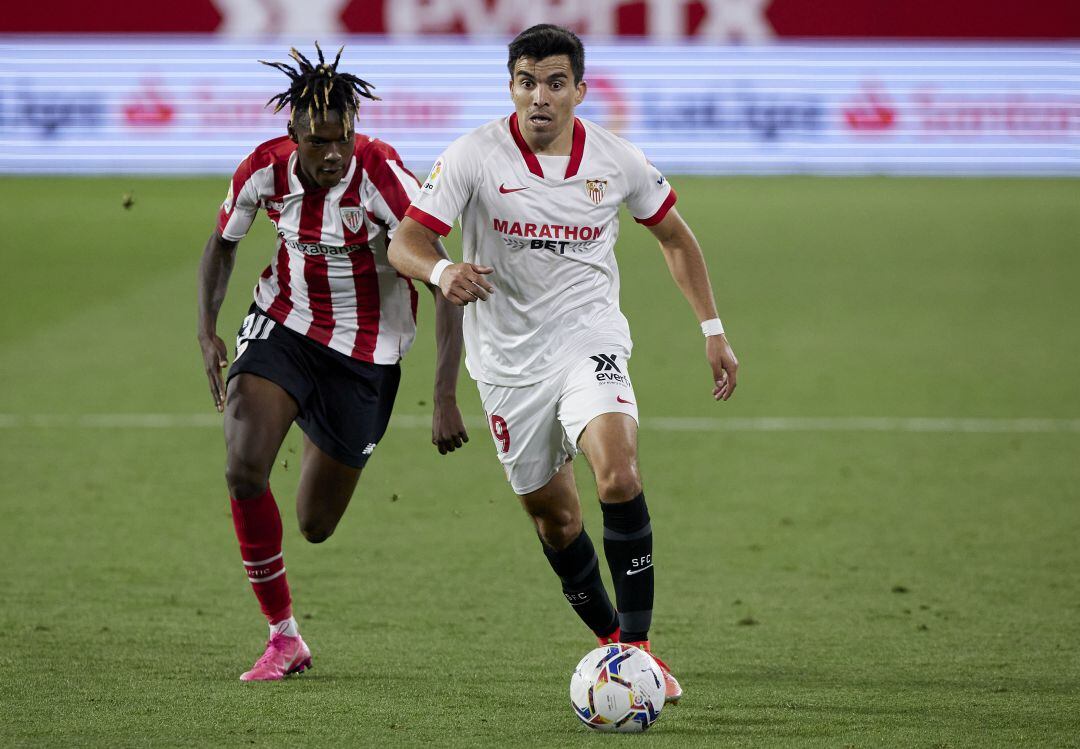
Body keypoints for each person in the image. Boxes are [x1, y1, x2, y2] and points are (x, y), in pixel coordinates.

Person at [387, 24, 738, 704]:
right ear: (510, 87)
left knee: (618, 469)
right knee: (556, 520)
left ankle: (637, 652)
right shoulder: (473, 155)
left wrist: (712, 327)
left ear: (580, 88)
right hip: (507, 363)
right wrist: (442, 269)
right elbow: (407, 238)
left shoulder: (616, 159)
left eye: (555, 83)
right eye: (526, 82)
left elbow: (673, 236)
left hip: (589, 340)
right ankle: (613, 638)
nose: (540, 97)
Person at [197, 44, 469, 682]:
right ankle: (282, 635)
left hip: (366, 359)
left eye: (341, 140)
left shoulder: (382, 173)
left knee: (315, 524)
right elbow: (222, 242)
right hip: (283, 325)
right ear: (292, 132)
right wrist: (207, 331)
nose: (331, 155)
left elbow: (441, 277)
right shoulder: (263, 171)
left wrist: (446, 395)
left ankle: (321, 428)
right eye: (317, 141)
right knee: (243, 467)